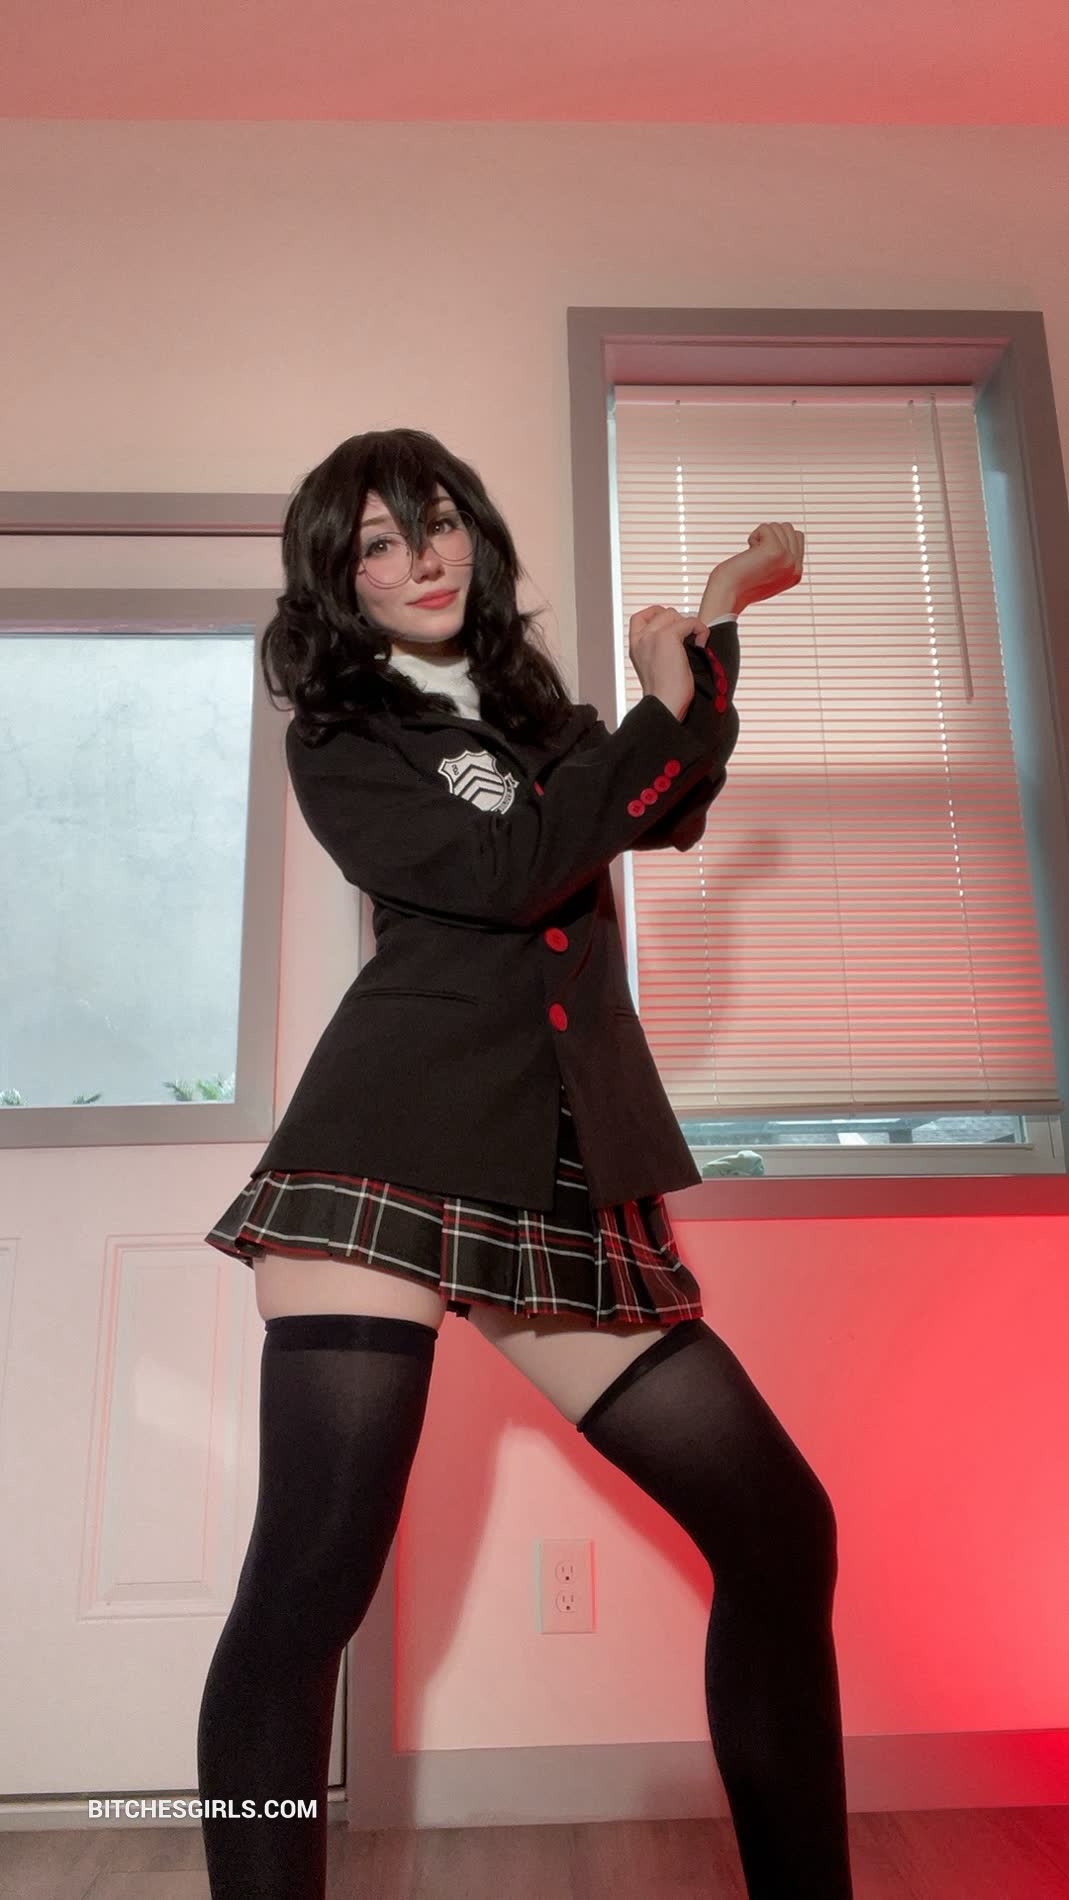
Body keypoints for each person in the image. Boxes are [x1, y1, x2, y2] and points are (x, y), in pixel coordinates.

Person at [196, 427, 853, 1898]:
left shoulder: (545, 724)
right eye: (375, 542)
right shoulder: (343, 738)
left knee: (777, 1527)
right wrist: (657, 713)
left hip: (553, 1162)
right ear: (340, 580)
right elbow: (512, 871)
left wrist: (711, 629)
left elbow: (667, 802)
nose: (416, 557)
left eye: (434, 523)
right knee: (308, 1588)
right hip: (380, 1158)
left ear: (474, 536)